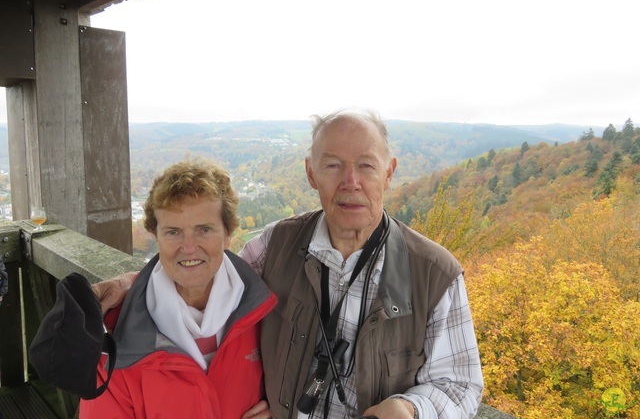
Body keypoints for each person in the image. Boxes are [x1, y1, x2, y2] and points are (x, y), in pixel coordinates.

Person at [96, 110, 484, 418]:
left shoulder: (435, 274)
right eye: (333, 165)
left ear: (390, 172)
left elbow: (461, 384)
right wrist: (139, 283)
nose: (351, 181)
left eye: (366, 165)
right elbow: (205, 270)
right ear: (311, 173)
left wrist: (412, 409)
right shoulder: (277, 244)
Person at [84, 158, 277, 418]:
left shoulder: (265, 315)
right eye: (173, 232)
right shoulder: (119, 344)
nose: (188, 247)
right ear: (156, 238)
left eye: (204, 229)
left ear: (228, 234)